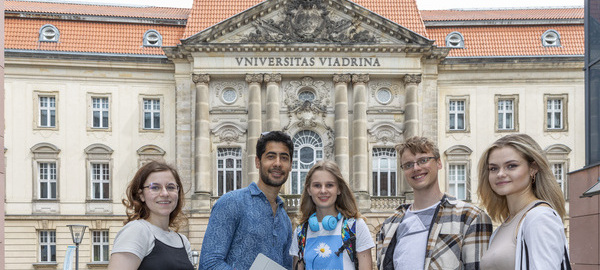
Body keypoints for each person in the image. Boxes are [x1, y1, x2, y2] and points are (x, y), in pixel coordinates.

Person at [376, 136, 493, 270]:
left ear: (439, 163)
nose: (416, 168)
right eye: (408, 165)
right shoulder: (389, 225)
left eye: (423, 160)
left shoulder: (470, 217)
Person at [199, 131, 294, 270]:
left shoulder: (285, 219)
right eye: (271, 156)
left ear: (290, 165)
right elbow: (208, 264)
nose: (278, 163)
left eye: (284, 158)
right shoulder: (231, 202)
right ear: (257, 162)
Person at [477, 133, 570, 269]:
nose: (500, 174)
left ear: (533, 168)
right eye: (493, 168)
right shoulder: (504, 227)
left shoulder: (540, 217)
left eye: (511, 166)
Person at [108, 161, 194, 270]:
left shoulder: (182, 241)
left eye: (171, 187)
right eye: (155, 187)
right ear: (141, 195)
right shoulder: (137, 231)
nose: (164, 193)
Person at [290, 160, 374, 270]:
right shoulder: (300, 232)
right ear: (309, 190)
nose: (323, 190)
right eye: (317, 185)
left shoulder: (355, 227)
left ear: (339, 189)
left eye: (329, 185)